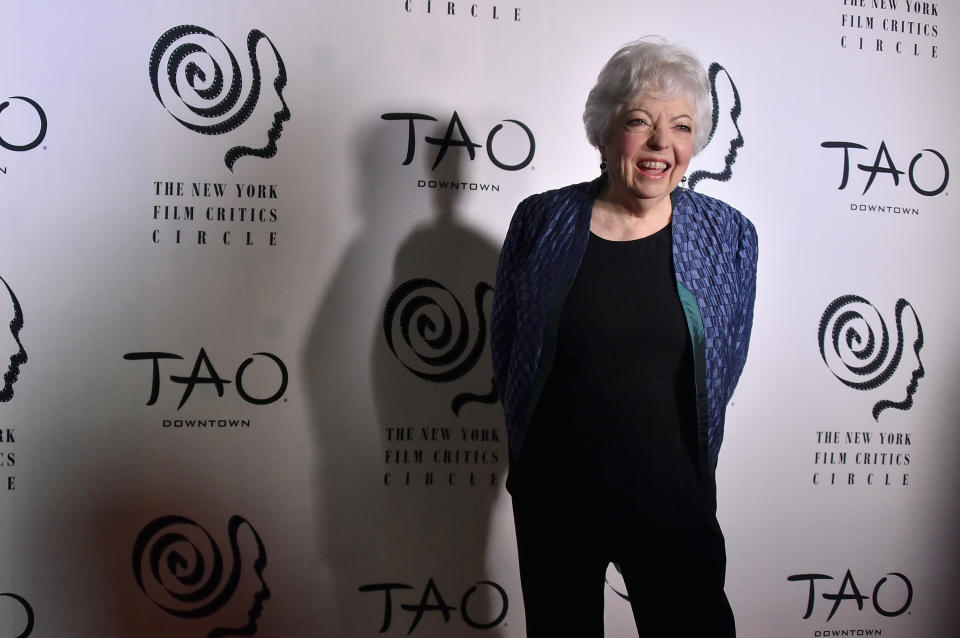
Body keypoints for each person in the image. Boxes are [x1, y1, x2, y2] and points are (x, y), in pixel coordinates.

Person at [491, 38, 757, 637]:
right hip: (557, 498)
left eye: (682, 127)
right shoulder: (541, 220)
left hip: (671, 497)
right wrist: (530, 469)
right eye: (641, 121)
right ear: (605, 131)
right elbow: (507, 347)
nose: (663, 144)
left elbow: (725, 363)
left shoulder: (729, 237)